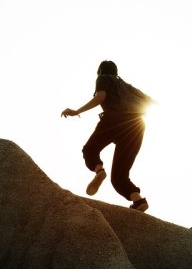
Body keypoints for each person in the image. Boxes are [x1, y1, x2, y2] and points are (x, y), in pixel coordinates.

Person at [60, 60, 149, 212]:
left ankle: (99, 171)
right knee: (119, 177)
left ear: (100, 71)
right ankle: (139, 201)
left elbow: (101, 96)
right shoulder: (127, 87)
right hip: (137, 126)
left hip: (115, 119)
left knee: (90, 150)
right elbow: (149, 102)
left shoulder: (104, 78)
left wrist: (77, 111)